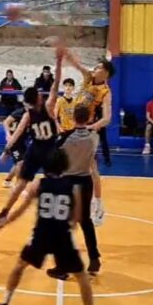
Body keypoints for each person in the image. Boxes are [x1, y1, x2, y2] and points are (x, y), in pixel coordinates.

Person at [0, 148, 103, 305]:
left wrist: (4, 222)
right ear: (65, 165)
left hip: (41, 235)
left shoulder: (38, 184)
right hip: (62, 236)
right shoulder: (73, 188)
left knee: (19, 267)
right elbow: (77, 218)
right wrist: (67, 228)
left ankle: (4, 304)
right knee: (82, 276)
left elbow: (21, 209)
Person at [0, 50, 64, 229]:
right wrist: (59, 62)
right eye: (39, 94)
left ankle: (4, 212)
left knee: (21, 184)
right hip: (49, 151)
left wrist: (6, 152)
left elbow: (15, 135)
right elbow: (56, 85)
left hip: (34, 151)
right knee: (56, 183)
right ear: (38, 98)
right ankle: (54, 218)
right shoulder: (48, 106)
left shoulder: (27, 115)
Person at [48, 104, 103, 277]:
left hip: (68, 182)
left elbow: (53, 158)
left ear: (73, 117)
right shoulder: (94, 137)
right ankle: (94, 258)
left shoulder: (65, 138)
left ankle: (63, 267)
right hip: (86, 181)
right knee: (86, 221)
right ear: (89, 118)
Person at [66, 50, 114, 168]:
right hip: (71, 121)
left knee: (88, 164)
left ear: (106, 73)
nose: (95, 69)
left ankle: (103, 163)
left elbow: (107, 118)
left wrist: (92, 126)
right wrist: (67, 54)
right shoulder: (88, 77)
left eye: (98, 67)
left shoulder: (106, 92)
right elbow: (78, 66)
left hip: (86, 126)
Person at [1, 104, 28, 188]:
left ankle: (7, 180)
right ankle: (18, 185)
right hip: (14, 141)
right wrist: (8, 134)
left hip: (21, 141)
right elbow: (6, 122)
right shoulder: (19, 112)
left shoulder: (34, 114)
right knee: (20, 163)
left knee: (20, 163)